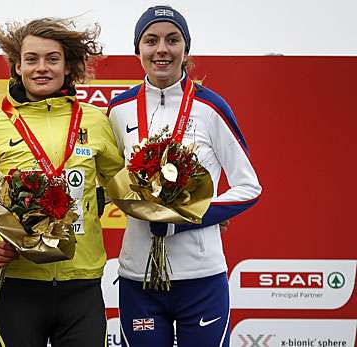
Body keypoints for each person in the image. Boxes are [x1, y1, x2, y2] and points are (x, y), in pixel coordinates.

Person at [107, 6, 262, 347]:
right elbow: (108, 182)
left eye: (172, 40)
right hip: (139, 277)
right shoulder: (118, 110)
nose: (161, 49)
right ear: (138, 50)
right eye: (151, 40)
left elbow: (249, 187)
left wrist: (189, 217)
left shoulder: (211, 107)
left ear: (186, 49)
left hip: (201, 278)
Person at [0, 17, 124, 347]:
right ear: (17, 67)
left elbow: (121, 183)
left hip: (81, 282)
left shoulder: (95, 120)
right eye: (32, 59)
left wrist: (172, 208)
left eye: (52, 59)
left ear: (68, 67)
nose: (42, 68)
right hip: (17, 282)